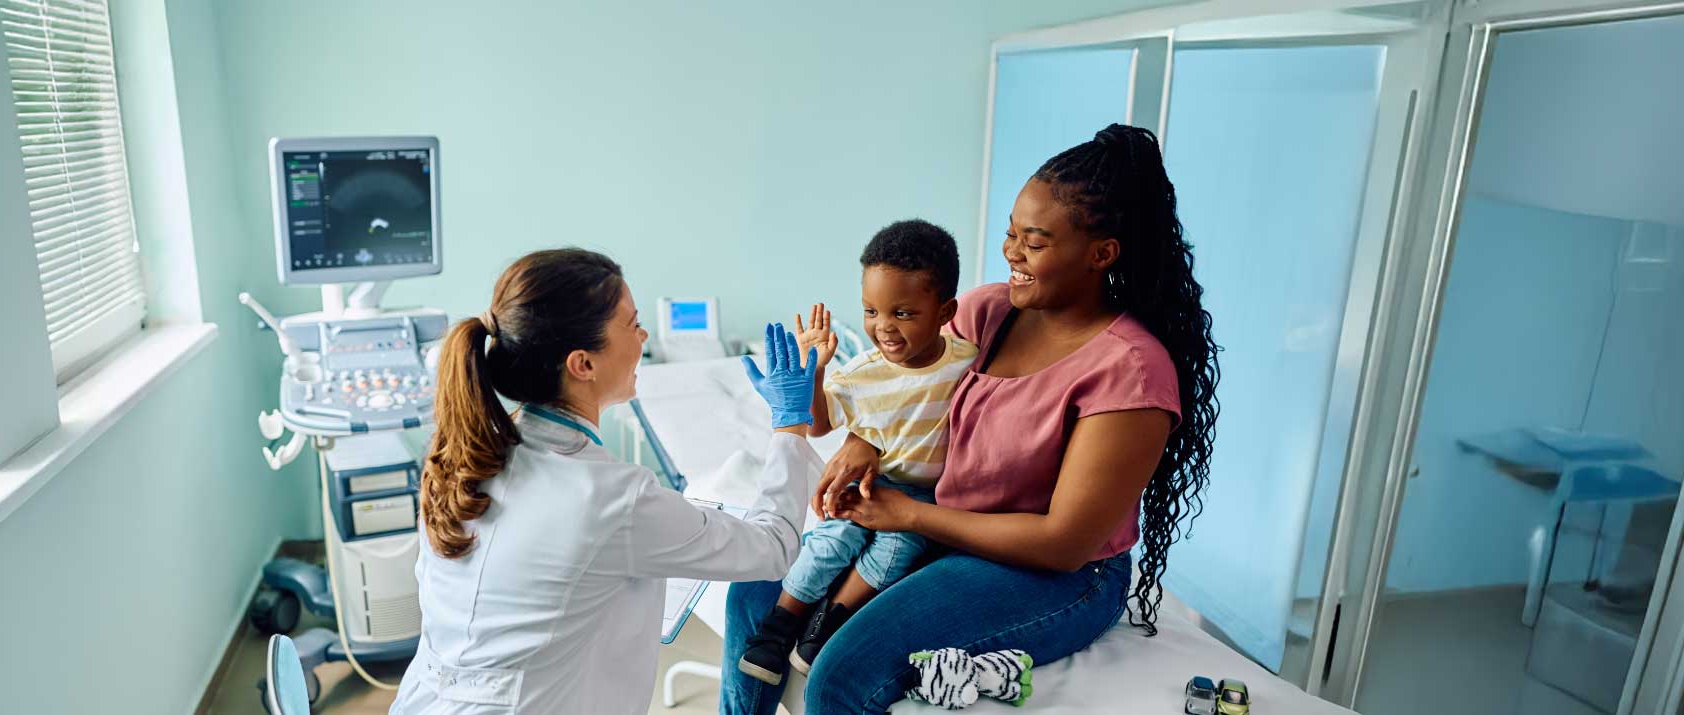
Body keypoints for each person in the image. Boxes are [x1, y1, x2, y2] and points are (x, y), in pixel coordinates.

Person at [719, 124, 1221, 714]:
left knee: (840, 675)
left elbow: (1063, 543)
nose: (1011, 253)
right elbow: (913, 386)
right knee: (756, 586)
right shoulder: (991, 311)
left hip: (1054, 573)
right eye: (1011, 234)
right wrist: (863, 440)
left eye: (1033, 242)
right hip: (940, 522)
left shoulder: (1131, 372)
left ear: (1101, 254)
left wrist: (910, 514)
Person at [391, 248, 826, 715]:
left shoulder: (461, 457)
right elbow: (775, 546)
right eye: (633, 324)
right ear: (583, 364)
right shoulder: (612, 496)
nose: (643, 336)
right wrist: (789, 424)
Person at [736, 220, 978, 684]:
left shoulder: (968, 362)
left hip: (924, 497)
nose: (882, 327)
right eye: (870, 311)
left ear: (945, 310)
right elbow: (821, 421)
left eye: (903, 313)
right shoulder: (865, 371)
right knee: (832, 540)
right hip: (872, 481)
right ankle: (779, 625)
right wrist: (815, 375)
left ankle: (829, 622)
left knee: (895, 551)